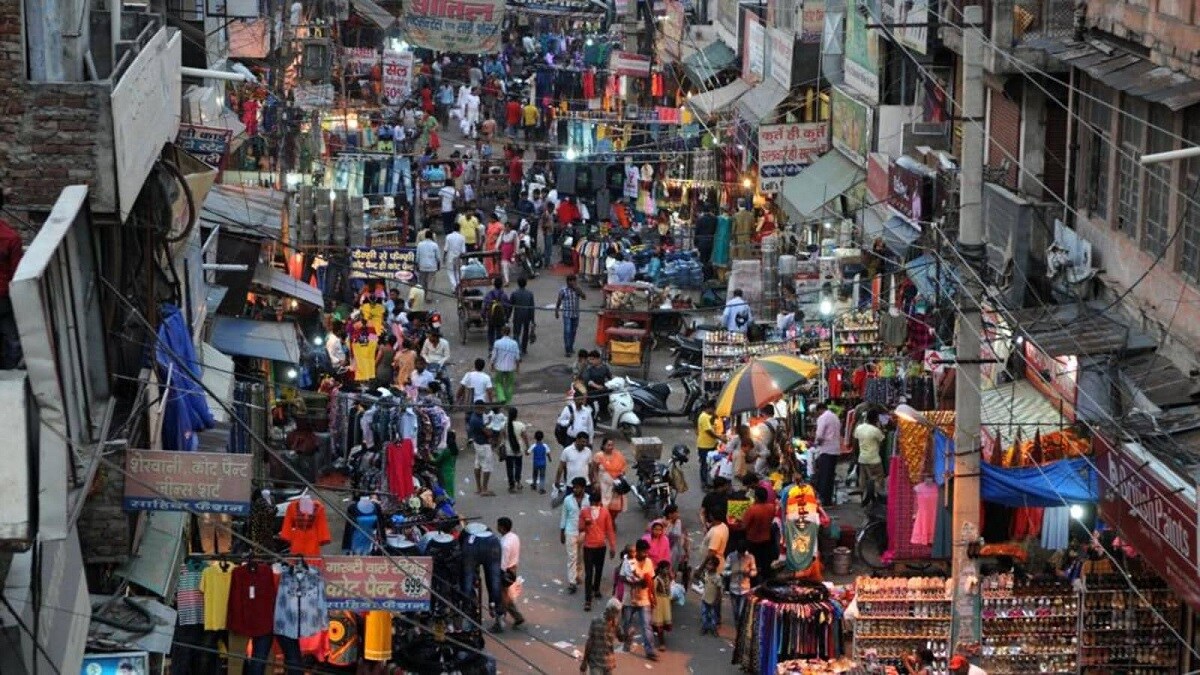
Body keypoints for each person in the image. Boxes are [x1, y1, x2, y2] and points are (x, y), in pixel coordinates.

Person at [618, 539, 658, 661]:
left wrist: (652, 596)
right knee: (626, 623)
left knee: (646, 625)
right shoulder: (628, 562)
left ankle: (650, 650)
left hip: (644, 598)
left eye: (647, 552)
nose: (645, 554)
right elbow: (621, 577)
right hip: (630, 598)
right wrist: (633, 583)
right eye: (643, 552)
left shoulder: (649, 562)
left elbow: (650, 580)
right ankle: (627, 643)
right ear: (637, 551)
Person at [578, 487, 617, 611]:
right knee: (589, 573)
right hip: (589, 546)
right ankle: (587, 599)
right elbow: (580, 528)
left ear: (599, 503)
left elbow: (610, 530)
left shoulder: (605, 513)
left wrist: (612, 546)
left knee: (598, 570)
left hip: (601, 546)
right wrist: (586, 524)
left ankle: (596, 589)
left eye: (596, 503)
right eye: (593, 504)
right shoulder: (584, 512)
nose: (594, 506)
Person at [560, 476, 591, 594]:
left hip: (584, 532)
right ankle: (572, 582)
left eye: (577, 488)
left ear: (583, 488)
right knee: (572, 557)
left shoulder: (588, 500)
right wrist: (562, 532)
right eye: (574, 488)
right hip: (570, 531)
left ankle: (578, 575)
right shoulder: (568, 500)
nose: (575, 490)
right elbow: (564, 516)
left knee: (582, 555)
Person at [590, 437, 628, 528]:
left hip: (616, 486)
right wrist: (596, 482)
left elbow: (624, 467)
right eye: (608, 445)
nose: (611, 447)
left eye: (612, 445)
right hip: (603, 486)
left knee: (616, 508)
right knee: (603, 507)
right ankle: (605, 524)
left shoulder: (618, 455)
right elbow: (594, 470)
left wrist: (621, 476)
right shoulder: (598, 456)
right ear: (603, 446)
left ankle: (612, 521)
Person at [742, 486, 776, 581]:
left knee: (753, 563)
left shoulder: (752, 510)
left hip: (753, 540)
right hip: (766, 539)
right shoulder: (771, 507)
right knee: (765, 562)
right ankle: (766, 579)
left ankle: (754, 580)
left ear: (756, 497)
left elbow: (744, 526)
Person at [497, 517, 525, 628]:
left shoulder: (505, 544)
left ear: (502, 528)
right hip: (513, 568)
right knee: (505, 595)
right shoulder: (514, 537)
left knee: (503, 596)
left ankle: (503, 619)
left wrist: (498, 574)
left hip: (506, 571)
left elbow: (503, 564)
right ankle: (514, 616)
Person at [854, 410, 887, 505]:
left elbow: (855, 443)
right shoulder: (875, 431)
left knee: (863, 480)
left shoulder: (859, 428)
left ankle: (864, 500)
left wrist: (856, 456)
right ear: (876, 419)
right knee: (878, 480)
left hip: (862, 459)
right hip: (874, 459)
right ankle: (877, 500)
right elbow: (882, 442)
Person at [812, 401, 842, 506]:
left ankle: (823, 499)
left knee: (824, 475)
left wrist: (815, 444)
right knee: (830, 476)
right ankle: (828, 499)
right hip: (835, 449)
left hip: (826, 450)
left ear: (819, 409)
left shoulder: (823, 417)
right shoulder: (835, 417)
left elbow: (819, 436)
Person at [725, 539, 757, 628]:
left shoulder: (750, 557)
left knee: (741, 612)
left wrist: (748, 573)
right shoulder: (731, 557)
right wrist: (733, 572)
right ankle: (738, 627)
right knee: (735, 612)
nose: (741, 555)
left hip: (745, 589)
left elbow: (754, 571)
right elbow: (724, 572)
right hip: (733, 588)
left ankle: (740, 628)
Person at [580, 603, 618, 675]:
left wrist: (629, 636)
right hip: (596, 662)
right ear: (607, 610)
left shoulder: (615, 623)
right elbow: (590, 641)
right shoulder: (596, 621)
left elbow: (622, 638)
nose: (615, 615)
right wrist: (584, 661)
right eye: (614, 612)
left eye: (617, 613)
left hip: (609, 663)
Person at [467, 401, 496, 496]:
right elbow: (488, 433)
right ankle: (484, 489)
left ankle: (479, 488)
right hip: (483, 444)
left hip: (477, 443)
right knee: (487, 466)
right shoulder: (477, 420)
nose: (483, 410)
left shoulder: (475, 417)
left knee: (478, 464)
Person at [555, 274, 587, 357]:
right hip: (567, 314)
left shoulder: (577, 289)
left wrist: (578, 290)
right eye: (571, 281)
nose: (573, 283)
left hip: (576, 314)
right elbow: (559, 300)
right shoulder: (563, 290)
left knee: (573, 331)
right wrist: (556, 310)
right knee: (567, 331)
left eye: (574, 281)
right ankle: (567, 349)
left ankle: (571, 346)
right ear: (567, 282)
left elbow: (584, 297)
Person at [501, 407, 530, 493]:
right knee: (518, 466)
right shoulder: (521, 425)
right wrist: (527, 448)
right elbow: (525, 438)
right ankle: (518, 482)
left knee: (509, 468)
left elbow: (503, 436)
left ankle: (511, 486)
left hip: (509, 450)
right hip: (518, 449)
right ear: (516, 415)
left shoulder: (505, 425)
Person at [490, 325, 521, 404]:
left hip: (500, 367)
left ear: (502, 332)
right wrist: (517, 368)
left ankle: (501, 397)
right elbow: (517, 356)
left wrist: (492, 365)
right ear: (509, 332)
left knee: (498, 383)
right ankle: (507, 402)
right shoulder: (514, 343)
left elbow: (494, 356)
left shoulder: (497, 343)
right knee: (510, 385)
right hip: (510, 368)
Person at [695, 400, 721, 490]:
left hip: (711, 444)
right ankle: (704, 483)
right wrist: (720, 438)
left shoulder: (708, 416)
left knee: (709, 464)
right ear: (710, 408)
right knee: (704, 465)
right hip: (704, 445)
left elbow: (712, 426)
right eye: (714, 409)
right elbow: (709, 432)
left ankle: (707, 482)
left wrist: (714, 417)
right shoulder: (704, 417)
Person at [509, 276, 536, 355]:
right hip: (527, 316)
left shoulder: (514, 293)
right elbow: (532, 307)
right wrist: (533, 320)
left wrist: (508, 316)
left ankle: (518, 349)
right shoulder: (530, 294)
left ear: (518, 284)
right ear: (526, 284)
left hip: (517, 316)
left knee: (516, 333)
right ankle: (524, 349)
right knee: (525, 333)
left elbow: (510, 306)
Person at [650, 560, 673, 648]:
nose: (667, 571)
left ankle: (652, 636)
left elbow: (669, 590)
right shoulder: (656, 580)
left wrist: (669, 598)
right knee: (659, 624)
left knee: (661, 623)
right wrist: (653, 602)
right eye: (666, 569)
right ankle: (661, 643)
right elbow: (652, 592)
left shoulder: (667, 578)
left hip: (666, 603)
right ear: (660, 570)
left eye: (668, 569)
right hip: (658, 604)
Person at [482, 278, 510, 347]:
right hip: (500, 318)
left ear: (494, 285)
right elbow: (507, 307)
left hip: (491, 317)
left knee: (490, 333)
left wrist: (483, 315)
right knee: (499, 333)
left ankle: (491, 348)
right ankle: (498, 348)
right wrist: (507, 317)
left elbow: (485, 306)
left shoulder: (489, 294)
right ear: (501, 285)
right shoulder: (504, 295)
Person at [699, 555, 722, 636]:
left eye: (710, 564)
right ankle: (704, 627)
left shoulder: (717, 577)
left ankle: (713, 629)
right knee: (704, 614)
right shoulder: (706, 574)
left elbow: (719, 591)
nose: (707, 566)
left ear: (715, 566)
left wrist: (716, 600)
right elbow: (704, 581)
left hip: (713, 600)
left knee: (713, 615)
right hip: (705, 598)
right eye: (707, 564)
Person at [415, 230, 441, 295]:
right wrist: (438, 265)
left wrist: (417, 265)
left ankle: (423, 294)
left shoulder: (420, 245)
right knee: (430, 282)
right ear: (432, 237)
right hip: (432, 266)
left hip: (422, 266)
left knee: (422, 282)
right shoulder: (434, 245)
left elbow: (417, 256)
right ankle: (429, 296)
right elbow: (438, 257)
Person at [444, 218, 467, 289]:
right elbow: (463, 251)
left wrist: (443, 257)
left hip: (450, 257)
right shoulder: (462, 237)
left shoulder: (448, 237)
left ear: (452, 228)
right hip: (459, 257)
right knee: (457, 272)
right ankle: (458, 284)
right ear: (459, 229)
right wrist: (464, 260)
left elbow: (446, 249)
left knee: (450, 272)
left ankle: (455, 286)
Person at [499, 221, 519, 285]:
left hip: (511, 250)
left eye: (508, 227)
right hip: (504, 250)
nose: (507, 228)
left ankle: (511, 275)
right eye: (506, 227)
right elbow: (499, 241)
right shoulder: (502, 233)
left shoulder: (514, 233)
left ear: (510, 228)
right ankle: (507, 280)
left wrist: (516, 251)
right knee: (504, 264)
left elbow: (516, 241)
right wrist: (496, 248)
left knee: (512, 265)